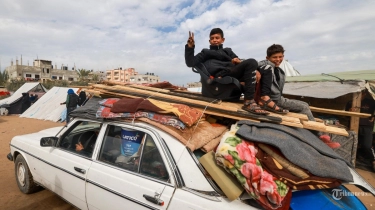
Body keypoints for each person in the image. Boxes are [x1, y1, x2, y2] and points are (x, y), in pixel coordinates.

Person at [184, 28, 268, 115]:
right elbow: (190, 63)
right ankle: (249, 101)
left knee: (265, 69)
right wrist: (190, 47)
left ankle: (265, 99)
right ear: (209, 41)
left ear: (222, 40)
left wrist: (242, 63)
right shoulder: (205, 52)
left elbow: (239, 61)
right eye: (212, 38)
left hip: (233, 72)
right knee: (252, 61)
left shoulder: (228, 51)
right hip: (221, 76)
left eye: (217, 38)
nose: (214, 40)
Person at [257, 44, 313, 119]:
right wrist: (255, 69)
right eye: (274, 57)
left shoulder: (280, 71)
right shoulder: (266, 66)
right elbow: (256, 63)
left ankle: (307, 124)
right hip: (273, 100)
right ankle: (313, 129)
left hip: (279, 98)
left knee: (305, 104)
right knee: (304, 107)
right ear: (267, 58)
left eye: (280, 57)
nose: (278, 59)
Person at [346, 90, 375, 171]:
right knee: (353, 144)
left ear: (364, 94)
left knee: (367, 145)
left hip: (367, 126)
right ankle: (351, 162)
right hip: (353, 125)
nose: (358, 96)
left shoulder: (371, 102)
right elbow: (346, 115)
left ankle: (373, 160)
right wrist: (349, 112)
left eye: (360, 94)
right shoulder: (350, 102)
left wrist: (374, 116)